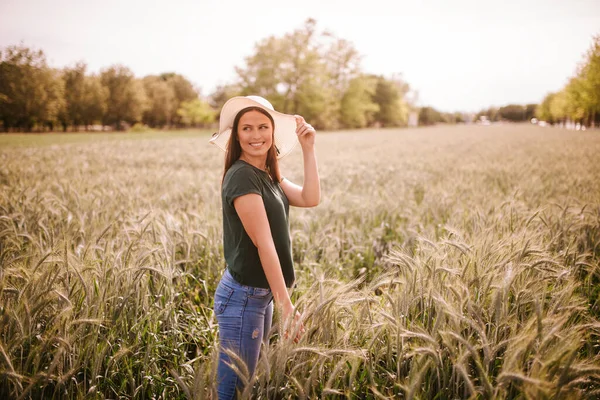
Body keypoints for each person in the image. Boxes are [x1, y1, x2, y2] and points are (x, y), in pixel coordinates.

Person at [209, 95, 320, 399]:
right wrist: (287, 305)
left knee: (246, 382)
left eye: (262, 127)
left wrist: (308, 150)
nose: (255, 135)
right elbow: (264, 244)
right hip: (243, 299)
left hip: (260, 295)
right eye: (246, 128)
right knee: (234, 390)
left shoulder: (268, 175)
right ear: (237, 135)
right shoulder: (243, 176)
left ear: (273, 133)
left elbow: (311, 198)